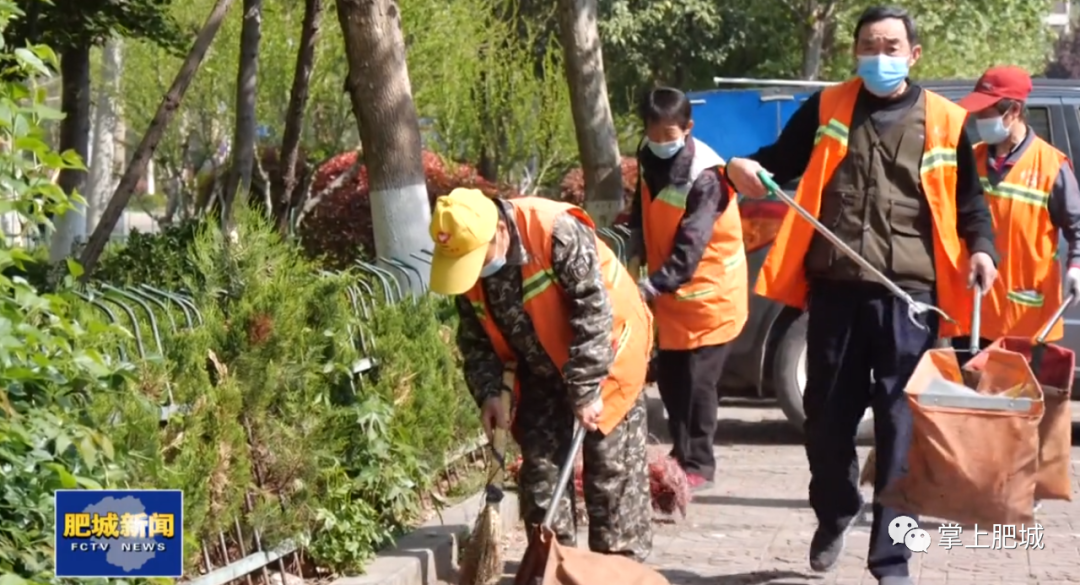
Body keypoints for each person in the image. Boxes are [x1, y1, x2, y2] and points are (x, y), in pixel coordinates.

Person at [723, 6, 998, 585]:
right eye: (870, 45)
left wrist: (983, 251)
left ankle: (891, 558)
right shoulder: (826, 108)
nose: (881, 55)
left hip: (910, 300)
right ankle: (836, 509)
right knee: (825, 423)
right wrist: (739, 168)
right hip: (835, 295)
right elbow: (776, 164)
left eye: (892, 45)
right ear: (855, 52)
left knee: (901, 431)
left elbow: (972, 204)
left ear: (914, 54)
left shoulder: (948, 121)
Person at [428, 188, 655, 561]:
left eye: (475, 258)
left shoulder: (555, 231)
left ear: (499, 229)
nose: (472, 270)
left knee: (610, 475)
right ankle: (553, 564)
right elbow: (476, 341)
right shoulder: (466, 265)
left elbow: (594, 314)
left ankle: (617, 568)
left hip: (609, 355)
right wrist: (488, 393)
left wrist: (584, 390)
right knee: (542, 474)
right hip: (540, 370)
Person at [626, 87, 747, 491]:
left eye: (669, 134)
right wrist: (631, 242)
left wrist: (651, 284)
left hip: (710, 295)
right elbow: (643, 211)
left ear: (688, 128)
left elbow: (692, 244)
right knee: (673, 381)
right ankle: (680, 457)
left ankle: (699, 464)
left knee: (698, 385)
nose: (661, 143)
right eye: (654, 134)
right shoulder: (648, 160)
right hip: (673, 300)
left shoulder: (705, 176)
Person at [947, 66, 1080, 363]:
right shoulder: (972, 160)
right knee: (972, 405)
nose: (980, 120)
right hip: (973, 314)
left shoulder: (1051, 166)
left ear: (1013, 111)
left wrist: (1076, 267)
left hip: (1024, 320)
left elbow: (1077, 226)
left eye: (986, 112)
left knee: (1014, 406)